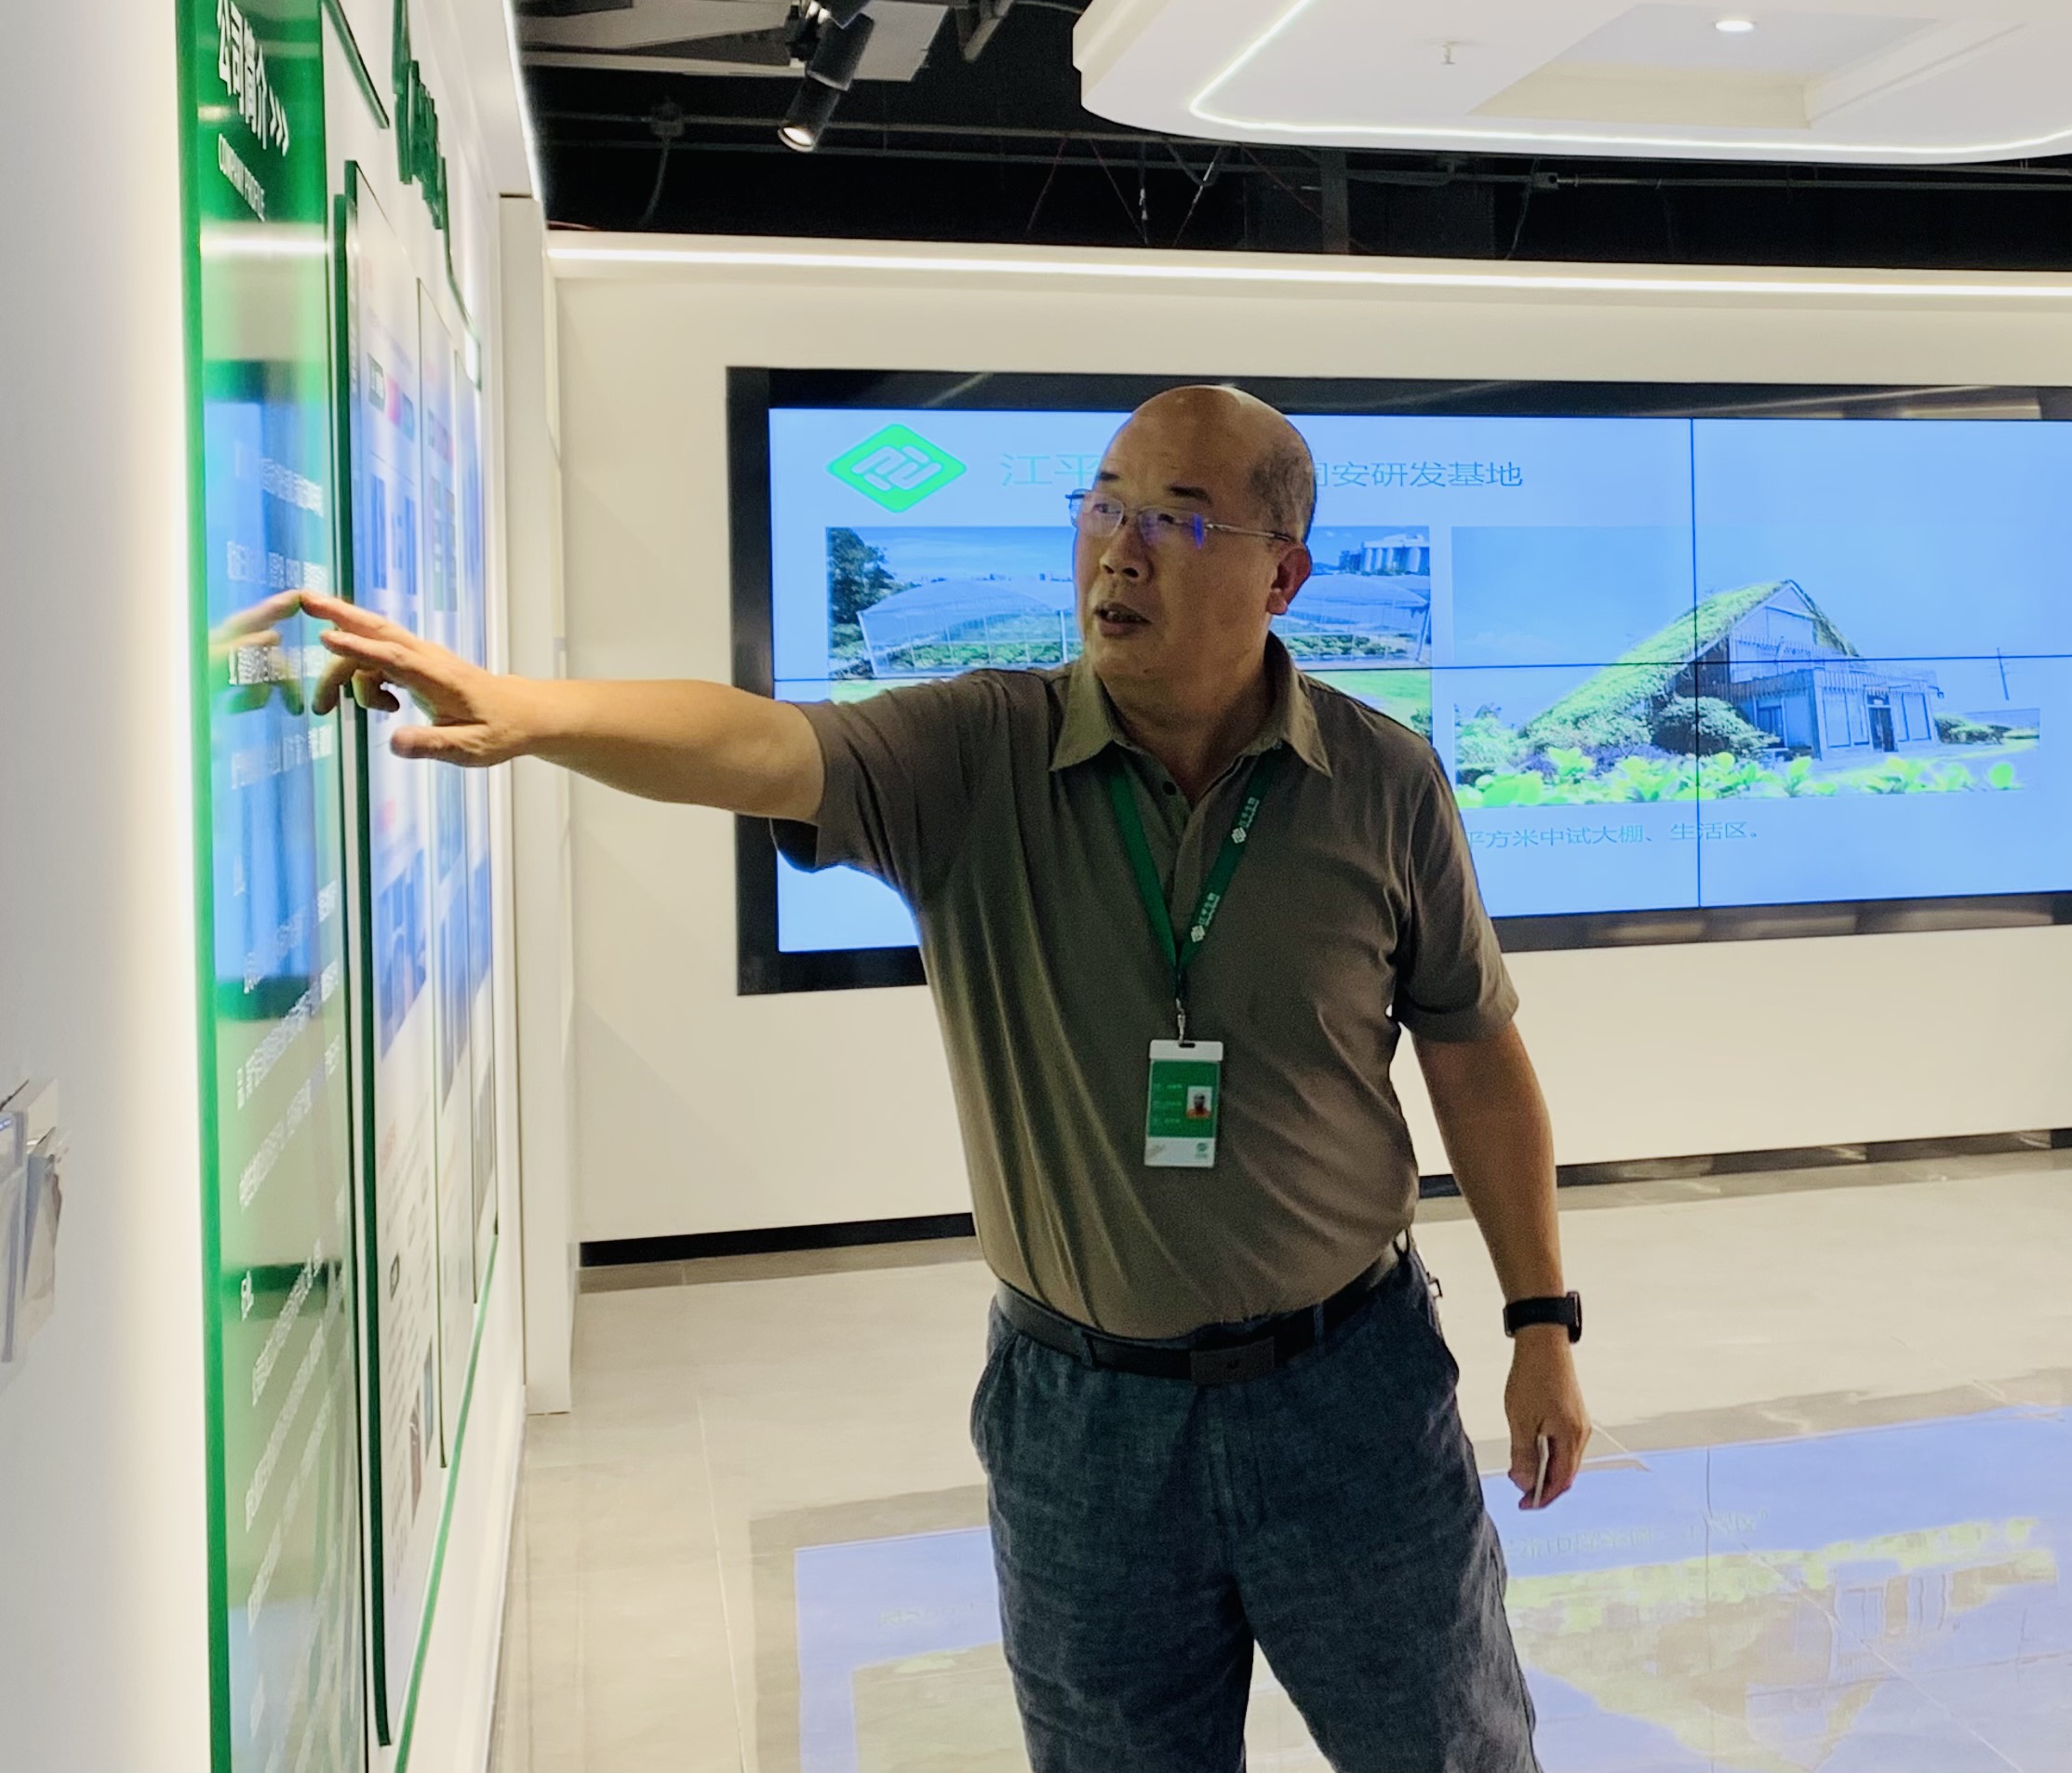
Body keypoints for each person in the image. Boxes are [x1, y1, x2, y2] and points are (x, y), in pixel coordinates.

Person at [301, 386, 1586, 1773]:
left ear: (1282, 575)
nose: (1120, 550)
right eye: (1102, 506)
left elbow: (1473, 1052)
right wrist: (528, 712)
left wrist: (1541, 1322)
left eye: (1176, 520)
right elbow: (759, 744)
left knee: (1450, 1750)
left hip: (1352, 1395)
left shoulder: (1382, 780)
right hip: (1085, 1427)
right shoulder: (976, 753)